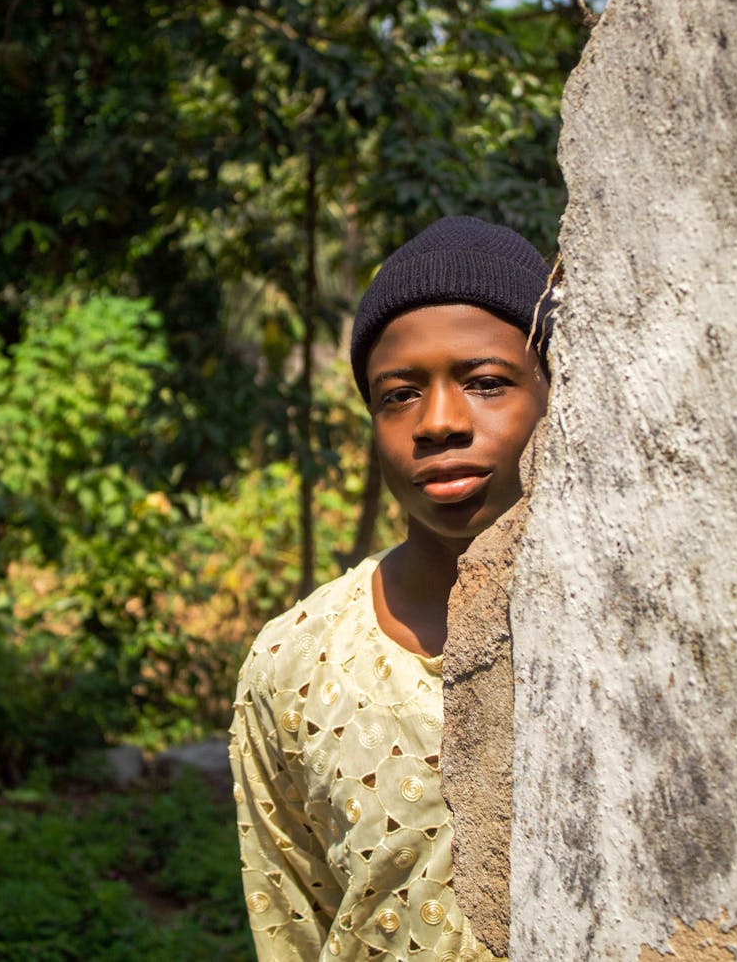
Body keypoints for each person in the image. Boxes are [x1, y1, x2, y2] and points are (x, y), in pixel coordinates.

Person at [229, 216, 552, 961]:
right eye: (399, 394)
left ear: (554, 392)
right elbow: (295, 927)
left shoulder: (638, 639)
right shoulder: (296, 664)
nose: (439, 422)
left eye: (486, 383)